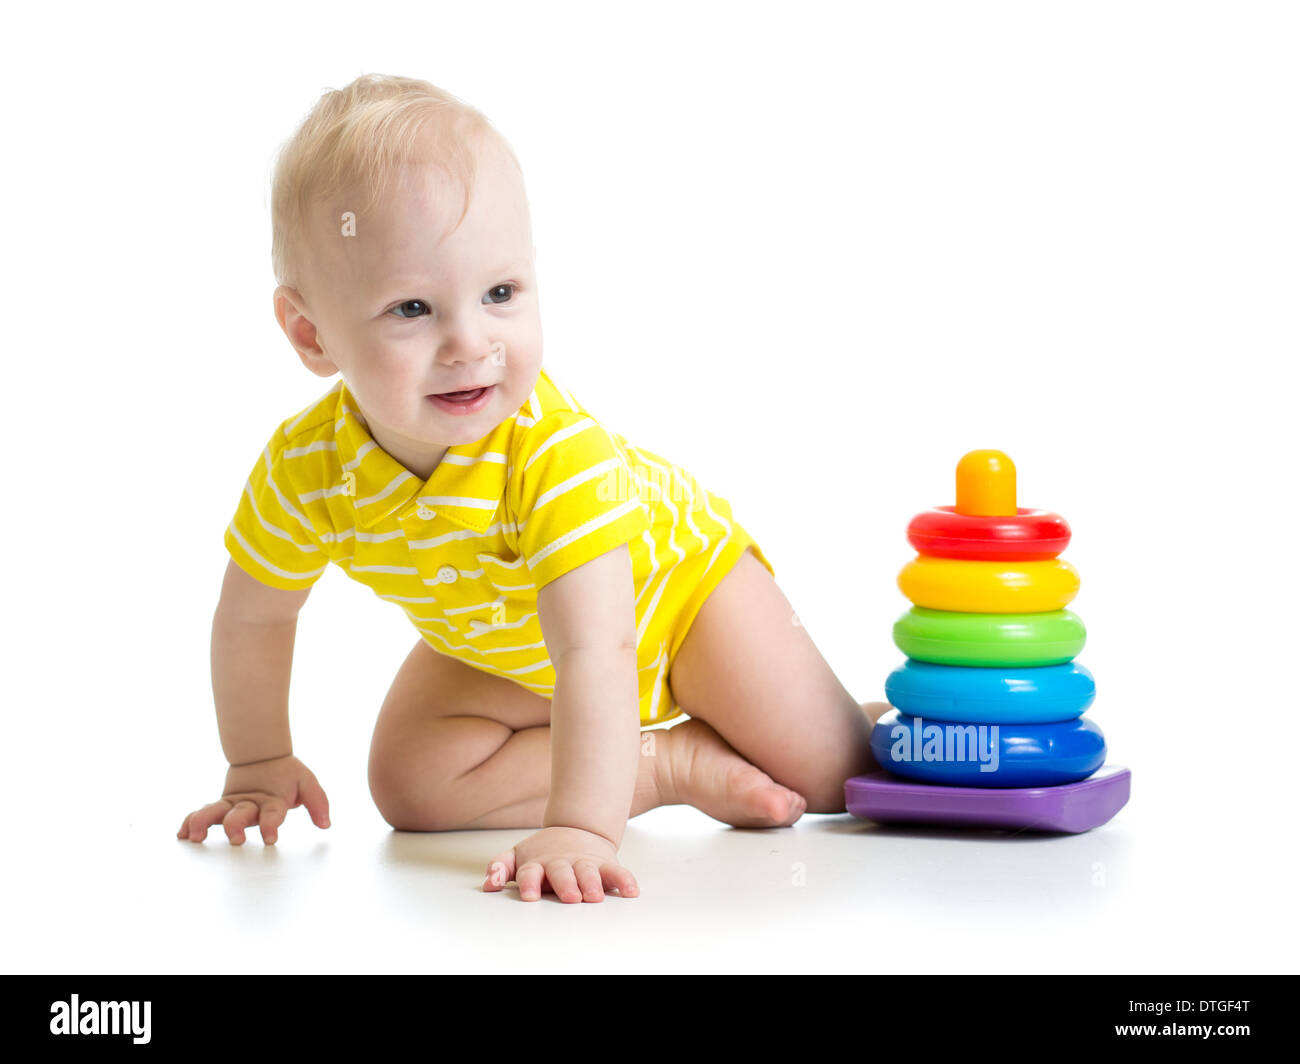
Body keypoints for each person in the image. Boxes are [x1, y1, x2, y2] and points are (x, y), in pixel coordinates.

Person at [177, 73, 883, 903]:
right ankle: (667, 765)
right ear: (310, 332)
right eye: (412, 308)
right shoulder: (307, 470)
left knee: (842, 775)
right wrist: (258, 760)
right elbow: (256, 615)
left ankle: (888, 720)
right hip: (518, 643)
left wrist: (582, 827)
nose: (470, 342)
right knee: (410, 784)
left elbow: (602, 649)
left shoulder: (554, 456)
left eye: (500, 293)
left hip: (680, 602)